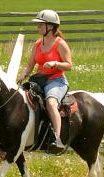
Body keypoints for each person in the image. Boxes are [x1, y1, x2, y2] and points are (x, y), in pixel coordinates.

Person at [19, 9, 72, 151]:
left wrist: (55, 63)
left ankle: (57, 138)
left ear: (51, 27)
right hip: (39, 80)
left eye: (41, 25)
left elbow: (69, 65)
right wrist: (23, 74)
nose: (38, 27)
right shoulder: (37, 44)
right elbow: (30, 65)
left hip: (56, 80)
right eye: (39, 25)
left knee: (50, 103)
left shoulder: (60, 44)